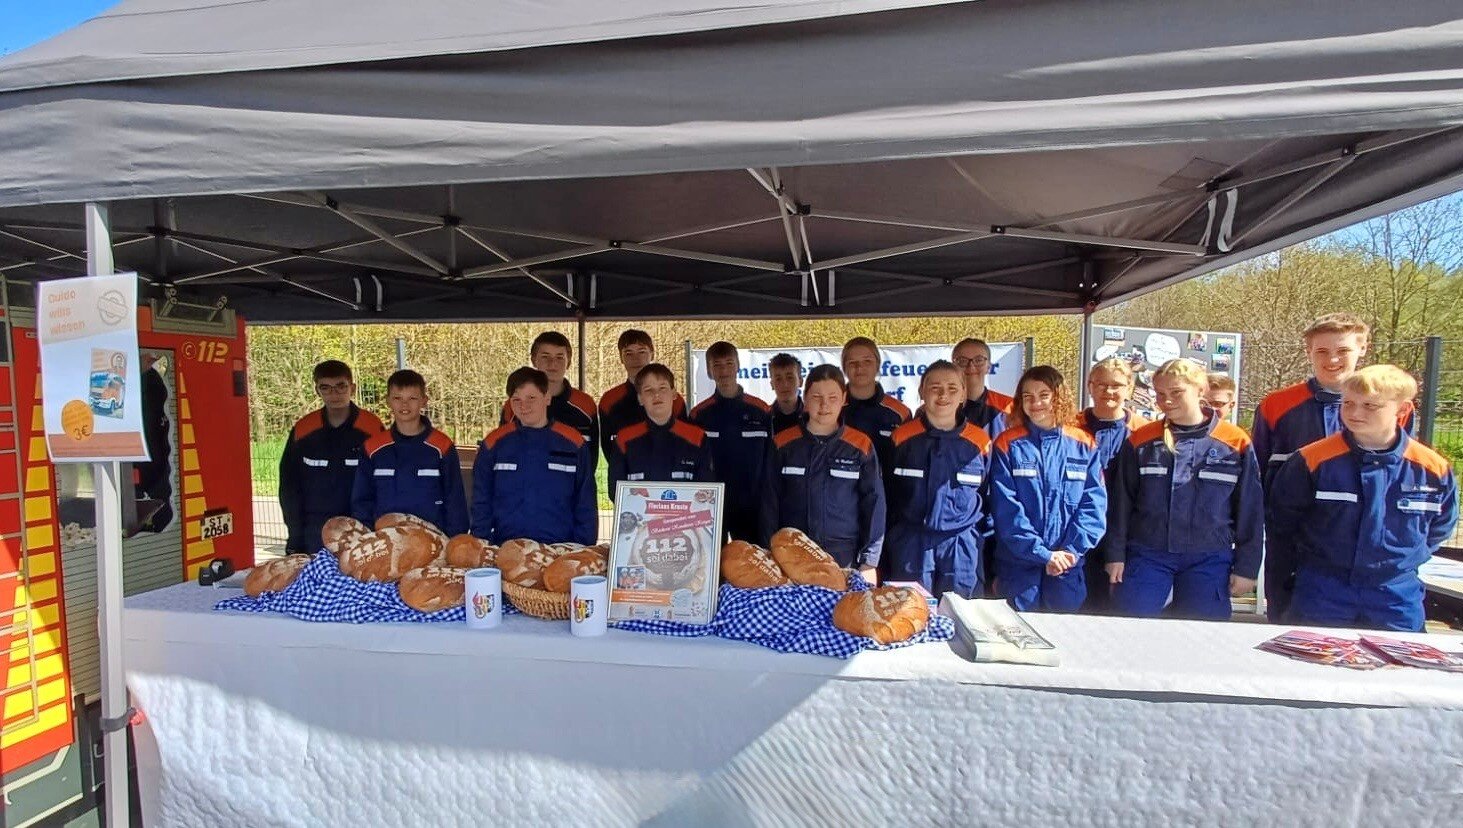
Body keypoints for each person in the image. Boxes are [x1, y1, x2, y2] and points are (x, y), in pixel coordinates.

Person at [1267, 365, 1457, 631]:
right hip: (1322, 591)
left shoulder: (1432, 469)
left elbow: (1440, 526)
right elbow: (1282, 525)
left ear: (1402, 410)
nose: (1355, 413)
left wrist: (1400, 559)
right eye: (1348, 403)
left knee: (1397, 657)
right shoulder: (1312, 460)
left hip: (1394, 595)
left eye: (1370, 406)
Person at [1252, 312, 1411, 616]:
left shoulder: (1393, 407)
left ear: (1363, 348)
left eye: (1343, 350)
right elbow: (1257, 474)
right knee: (1290, 629)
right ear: (1308, 351)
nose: (1333, 360)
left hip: (1368, 551)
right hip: (1292, 543)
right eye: (1322, 351)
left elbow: (1405, 469)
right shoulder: (1276, 405)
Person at [1102, 360, 1263, 620]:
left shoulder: (1234, 442)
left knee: (1203, 633)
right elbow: (1121, 504)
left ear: (1200, 390)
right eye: (1160, 394)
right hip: (1148, 554)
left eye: (1176, 392)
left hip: (1208, 558)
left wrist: (1246, 567)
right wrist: (1115, 555)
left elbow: (1250, 510)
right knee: (1131, 626)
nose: (1167, 401)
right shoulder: (1141, 440)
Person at [989, 366, 1106, 612]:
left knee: (1063, 632)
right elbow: (1006, 509)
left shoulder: (1084, 444)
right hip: (1019, 567)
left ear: (1059, 397)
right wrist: (1043, 554)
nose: (1036, 403)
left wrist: (1070, 552)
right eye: (1028, 396)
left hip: (1067, 566)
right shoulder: (1008, 444)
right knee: (1018, 632)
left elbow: (1093, 505)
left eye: (1044, 395)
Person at [762, 365, 885, 583]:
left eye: (832, 397)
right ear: (805, 399)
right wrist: (769, 551)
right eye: (817, 397)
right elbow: (768, 503)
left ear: (844, 399)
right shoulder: (783, 444)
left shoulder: (860, 445)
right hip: (791, 557)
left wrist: (869, 561)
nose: (824, 405)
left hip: (844, 558)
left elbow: (874, 504)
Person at [885, 360, 993, 598]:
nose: (943, 395)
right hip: (911, 544)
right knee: (909, 612)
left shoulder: (980, 442)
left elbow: (988, 496)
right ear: (922, 391)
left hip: (961, 546)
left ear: (963, 394)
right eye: (935, 388)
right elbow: (887, 494)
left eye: (952, 389)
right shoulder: (901, 438)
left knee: (962, 613)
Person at [473, 367, 597, 545]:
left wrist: (582, 547)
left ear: (547, 398)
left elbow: (585, 502)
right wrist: (483, 544)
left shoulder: (573, 442)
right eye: (516, 399)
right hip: (506, 548)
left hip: (560, 549)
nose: (524, 406)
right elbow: (481, 500)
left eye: (531, 398)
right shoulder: (494, 443)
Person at [280, 360, 385, 553]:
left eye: (340, 386)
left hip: (361, 528)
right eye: (326, 388)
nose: (334, 394)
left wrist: (376, 528)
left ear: (352, 388)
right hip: (314, 531)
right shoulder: (304, 429)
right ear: (317, 390)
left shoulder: (372, 427)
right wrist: (295, 536)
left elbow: (383, 482)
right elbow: (289, 487)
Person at [351, 369, 468, 535]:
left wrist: (454, 539)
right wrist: (367, 537)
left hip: (432, 539)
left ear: (424, 401)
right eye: (397, 398)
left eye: (412, 398)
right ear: (388, 401)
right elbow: (362, 499)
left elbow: (454, 499)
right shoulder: (373, 447)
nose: (404, 405)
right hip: (384, 539)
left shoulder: (442, 446)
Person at [1074, 356, 1149, 611]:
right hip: (1078, 529)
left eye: (1116, 385)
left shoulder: (1144, 432)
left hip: (1126, 533)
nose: (1109, 391)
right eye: (1101, 384)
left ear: (1130, 388)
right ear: (1090, 386)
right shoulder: (1069, 427)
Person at [689, 341, 772, 542]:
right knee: (712, 558)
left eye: (729, 363)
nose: (724, 371)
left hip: (752, 505)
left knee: (751, 559)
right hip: (712, 503)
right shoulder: (699, 415)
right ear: (709, 371)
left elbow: (771, 459)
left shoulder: (761, 410)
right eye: (717, 365)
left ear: (738, 366)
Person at [608, 364, 714, 497]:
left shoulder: (697, 438)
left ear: (674, 394)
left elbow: (707, 490)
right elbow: (615, 492)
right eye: (648, 390)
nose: (656, 395)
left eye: (662, 388)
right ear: (640, 398)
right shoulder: (624, 439)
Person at [498, 331, 599, 468]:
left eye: (559, 357)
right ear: (534, 360)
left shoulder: (585, 405)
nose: (553, 363)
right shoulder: (514, 406)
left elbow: (590, 460)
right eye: (545, 357)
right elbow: (503, 453)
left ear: (569, 362)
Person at [598, 329, 686, 470]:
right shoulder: (609, 401)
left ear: (652, 354)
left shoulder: (675, 400)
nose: (636, 358)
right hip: (626, 475)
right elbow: (608, 446)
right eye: (629, 353)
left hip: (669, 474)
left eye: (642, 352)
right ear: (621, 358)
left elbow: (684, 441)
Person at [840, 336, 911, 479]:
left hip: (887, 489)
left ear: (878, 365)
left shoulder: (900, 412)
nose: (859, 368)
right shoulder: (831, 409)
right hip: (842, 489)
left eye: (867, 361)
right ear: (844, 368)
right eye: (852, 362)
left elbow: (908, 460)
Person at [952, 337, 1015, 435]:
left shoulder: (1010, 407)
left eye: (979, 360)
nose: (971, 366)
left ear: (989, 366)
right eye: (962, 361)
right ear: (953, 367)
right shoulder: (940, 407)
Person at [768, 352, 806, 433]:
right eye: (778, 379)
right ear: (771, 384)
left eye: (790, 378)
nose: (785, 384)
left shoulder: (812, 418)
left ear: (800, 381)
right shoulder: (764, 419)